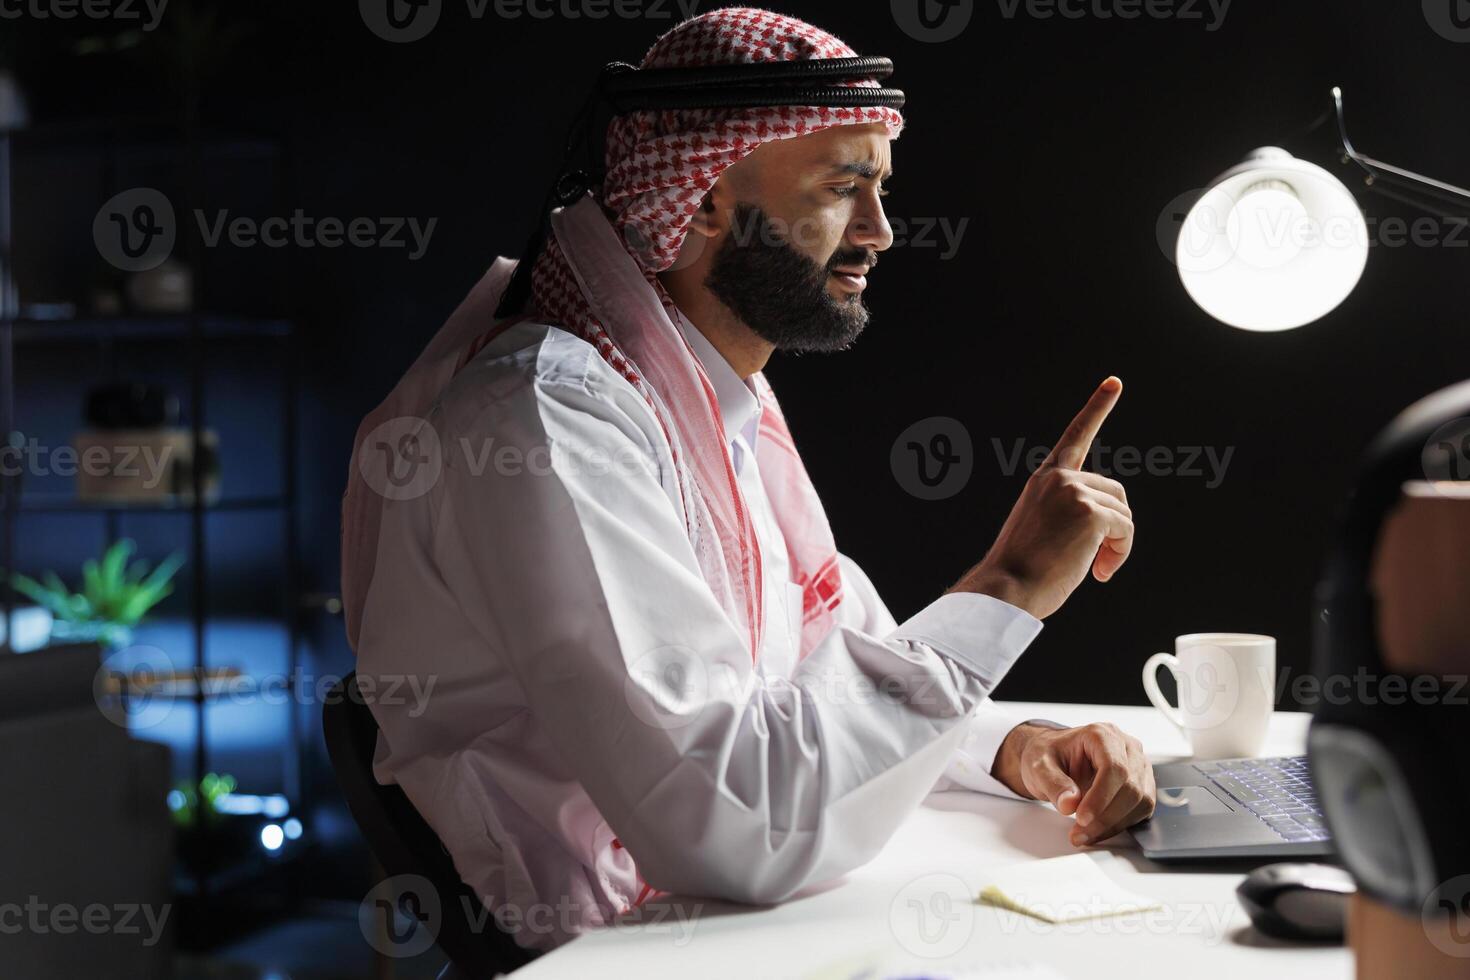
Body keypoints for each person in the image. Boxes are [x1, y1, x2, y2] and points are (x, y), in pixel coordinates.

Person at [341, 6, 1155, 952]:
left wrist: (1013, 750)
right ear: (701, 199)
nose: (882, 231)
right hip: (616, 951)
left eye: (881, 189)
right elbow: (735, 827)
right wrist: (1009, 585)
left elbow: (823, 671)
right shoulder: (542, 419)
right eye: (844, 187)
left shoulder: (712, 402)